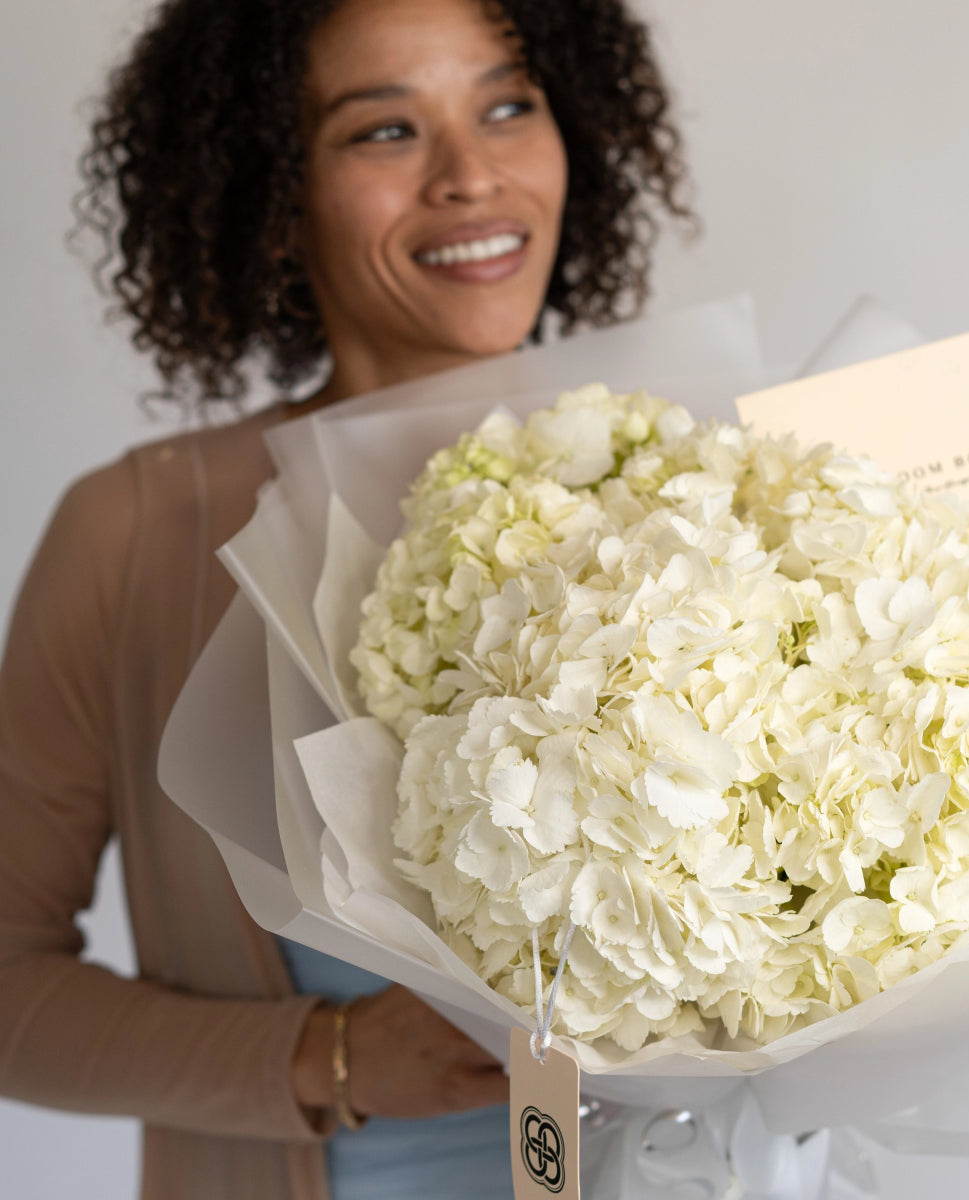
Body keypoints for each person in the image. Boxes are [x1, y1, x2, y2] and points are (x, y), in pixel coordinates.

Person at [0, 1, 692, 1197]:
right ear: (276, 199)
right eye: (385, 132)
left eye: (508, 104)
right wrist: (326, 1060)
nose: (471, 175)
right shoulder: (134, 537)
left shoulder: (706, 491)